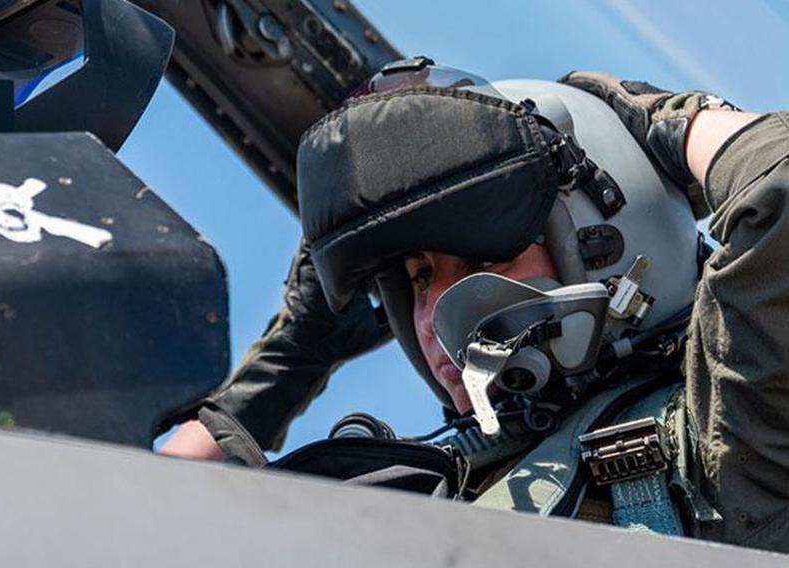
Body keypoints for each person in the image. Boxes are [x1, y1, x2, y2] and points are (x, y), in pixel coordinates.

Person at [162, 58, 789, 552]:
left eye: (482, 259)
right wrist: (287, 363)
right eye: (419, 277)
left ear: (607, 243)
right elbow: (134, 519)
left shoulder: (731, 430)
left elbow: (781, 188)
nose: (434, 314)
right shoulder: (428, 485)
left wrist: (681, 128)